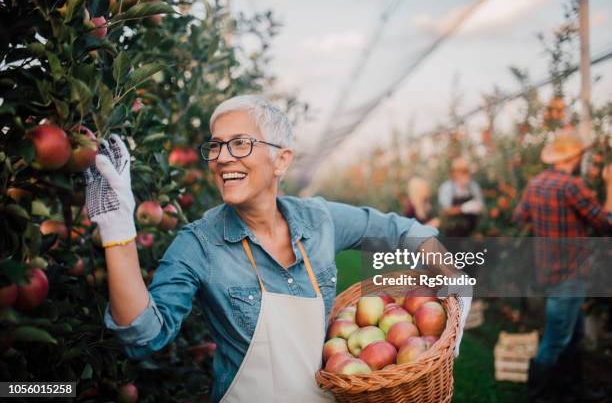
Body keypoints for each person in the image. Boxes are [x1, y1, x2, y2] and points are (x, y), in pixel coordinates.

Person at [85, 95, 471, 403]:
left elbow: (402, 229)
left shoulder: (319, 220)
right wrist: (118, 233)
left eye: (239, 144)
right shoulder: (200, 243)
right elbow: (144, 334)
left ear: (281, 160)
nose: (222, 158)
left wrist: (454, 277)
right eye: (216, 146)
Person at [513, 129, 612, 403]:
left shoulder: (536, 183)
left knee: (574, 332)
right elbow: (606, 223)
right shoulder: (572, 186)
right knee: (556, 339)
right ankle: (539, 396)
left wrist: (546, 224)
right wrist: (611, 185)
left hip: (548, 272)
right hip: (570, 274)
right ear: (576, 156)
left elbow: (519, 216)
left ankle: (572, 391)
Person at [438, 156, 484, 237]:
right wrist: (463, 208)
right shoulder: (447, 187)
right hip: (453, 232)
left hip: (471, 232)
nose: (464, 174)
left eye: (466, 171)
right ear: (453, 173)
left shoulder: (473, 186)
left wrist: (476, 207)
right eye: (460, 171)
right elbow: (445, 210)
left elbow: (481, 207)